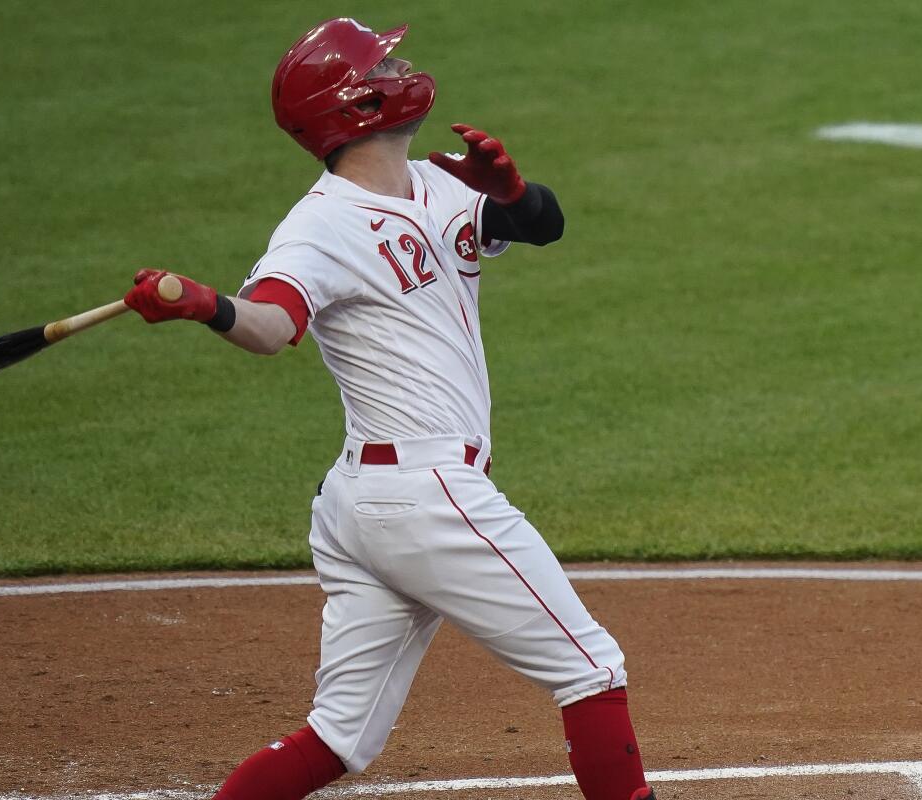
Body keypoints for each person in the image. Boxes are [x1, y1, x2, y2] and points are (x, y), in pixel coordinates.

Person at [125, 17, 653, 800]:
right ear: (359, 103)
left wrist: (513, 192)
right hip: (426, 495)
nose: (404, 64)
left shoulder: (439, 183)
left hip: (365, 503)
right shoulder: (317, 228)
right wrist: (209, 306)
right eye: (386, 61)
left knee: (339, 737)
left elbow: (544, 227)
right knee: (591, 668)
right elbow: (273, 327)